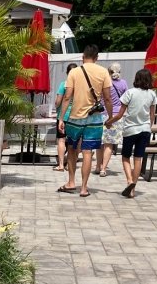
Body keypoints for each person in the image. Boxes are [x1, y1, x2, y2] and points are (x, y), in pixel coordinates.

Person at [56, 45, 112, 198]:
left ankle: (71, 182)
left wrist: (62, 118)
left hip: (74, 118)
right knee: (88, 152)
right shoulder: (103, 72)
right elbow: (107, 98)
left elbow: (67, 97)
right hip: (94, 120)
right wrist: (111, 117)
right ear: (97, 57)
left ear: (82, 57)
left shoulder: (74, 72)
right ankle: (84, 188)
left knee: (72, 150)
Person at [106, 68, 157, 198]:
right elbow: (152, 115)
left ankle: (129, 181)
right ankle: (134, 186)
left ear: (137, 79)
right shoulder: (152, 94)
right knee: (138, 158)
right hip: (145, 129)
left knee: (125, 157)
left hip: (130, 129)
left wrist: (109, 122)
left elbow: (120, 114)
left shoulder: (130, 93)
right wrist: (148, 126)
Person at [96, 63, 129, 177]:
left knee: (100, 142)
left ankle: (97, 166)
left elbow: (100, 97)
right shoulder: (123, 83)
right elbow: (126, 100)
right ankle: (103, 168)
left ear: (108, 71)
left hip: (102, 114)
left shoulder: (105, 82)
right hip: (117, 116)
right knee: (109, 144)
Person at [52, 63, 77, 172]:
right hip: (76, 116)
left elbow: (58, 102)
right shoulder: (80, 86)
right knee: (74, 141)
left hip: (63, 116)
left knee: (61, 140)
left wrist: (56, 106)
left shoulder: (64, 84)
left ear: (67, 73)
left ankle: (61, 165)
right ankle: (70, 165)